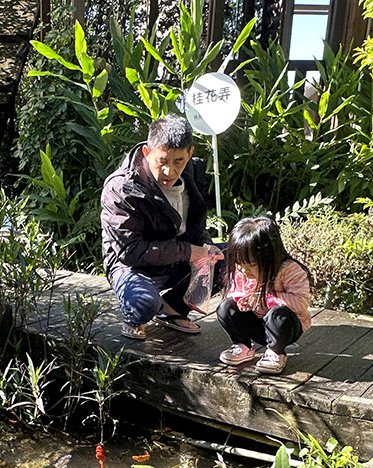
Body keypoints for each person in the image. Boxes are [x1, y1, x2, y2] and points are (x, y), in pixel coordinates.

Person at [101, 114, 222, 340]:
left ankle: (172, 309)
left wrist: (205, 246)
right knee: (143, 303)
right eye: (162, 161)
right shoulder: (122, 188)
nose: (169, 171)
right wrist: (189, 252)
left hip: (175, 260)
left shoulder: (192, 173)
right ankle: (138, 314)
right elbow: (130, 252)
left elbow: (195, 225)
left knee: (229, 258)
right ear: (148, 152)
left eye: (179, 161)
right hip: (131, 267)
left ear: (190, 154)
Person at [216, 216, 312, 374]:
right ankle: (242, 345)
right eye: (239, 264)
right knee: (226, 307)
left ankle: (276, 352)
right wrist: (242, 300)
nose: (244, 270)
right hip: (256, 324)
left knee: (277, 315)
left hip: (283, 328)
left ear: (270, 257)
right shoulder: (242, 270)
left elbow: (301, 303)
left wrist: (266, 298)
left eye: (252, 265)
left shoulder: (289, 270)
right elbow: (236, 290)